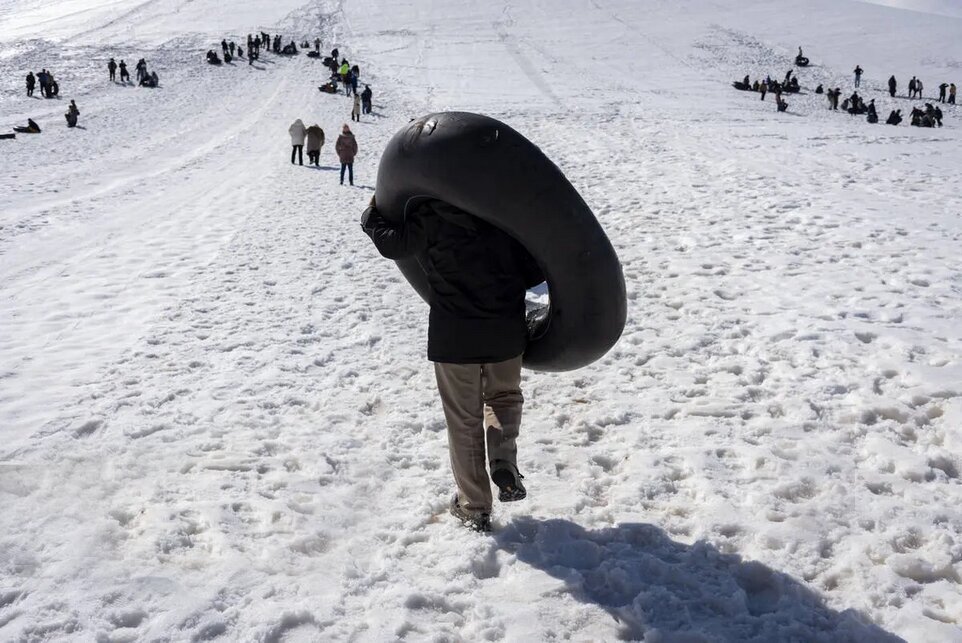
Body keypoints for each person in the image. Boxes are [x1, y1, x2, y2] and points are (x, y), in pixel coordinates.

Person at [359, 197, 543, 532]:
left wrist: (371, 217)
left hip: (455, 335)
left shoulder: (433, 214)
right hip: (505, 329)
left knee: (464, 420)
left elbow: (393, 244)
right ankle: (503, 460)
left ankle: (474, 506)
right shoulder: (508, 209)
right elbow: (535, 269)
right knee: (504, 398)